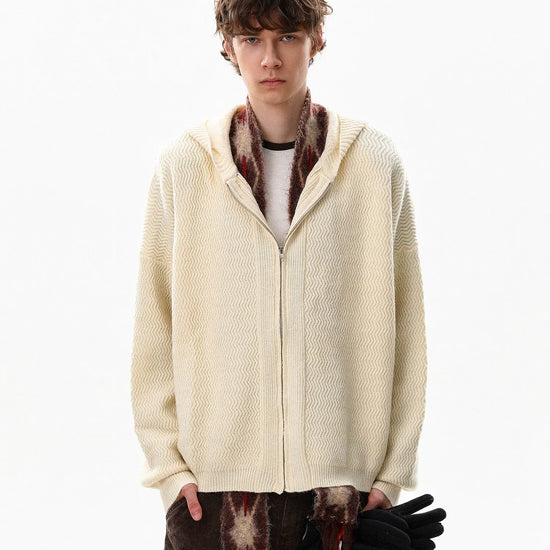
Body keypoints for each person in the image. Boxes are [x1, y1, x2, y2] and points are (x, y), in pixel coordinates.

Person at [130, 1, 429, 548]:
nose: (270, 58)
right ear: (228, 46)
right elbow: (155, 326)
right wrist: (170, 472)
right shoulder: (185, 166)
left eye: (288, 36)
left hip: (341, 495)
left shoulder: (372, 162)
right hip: (214, 499)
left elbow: (406, 327)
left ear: (317, 39)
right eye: (251, 40)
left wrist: (391, 473)